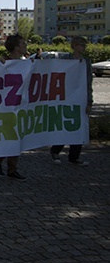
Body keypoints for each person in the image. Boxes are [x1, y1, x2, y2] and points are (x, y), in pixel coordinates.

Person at [49, 36, 93, 166]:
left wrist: (90, 101)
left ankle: (74, 157)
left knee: (79, 126)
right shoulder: (66, 60)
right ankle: (55, 150)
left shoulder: (86, 62)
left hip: (81, 98)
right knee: (67, 124)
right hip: (67, 97)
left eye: (84, 45)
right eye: (81, 45)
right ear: (74, 46)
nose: (83, 47)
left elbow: (89, 82)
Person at [0, 34, 28, 181]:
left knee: (16, 136)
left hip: (20, 106)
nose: (26, 46)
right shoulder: (4, 63)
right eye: (23, 44)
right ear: (17, 47)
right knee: (10, 136)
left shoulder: (27, 63)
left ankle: (10, 168)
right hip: (6, 107)